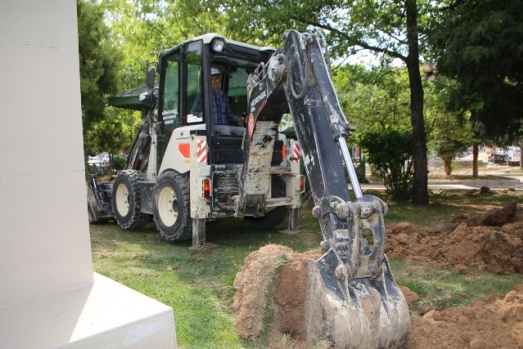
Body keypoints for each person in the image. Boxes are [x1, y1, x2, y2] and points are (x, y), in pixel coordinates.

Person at [192, 68, 245, 136]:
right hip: (212, 127)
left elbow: (229, 115)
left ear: (220, 79)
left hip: (225, 126)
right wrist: (201, 114)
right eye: (211, 79)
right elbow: (193, 112)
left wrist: (239, 119)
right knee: (225, 130)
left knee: (244, 131)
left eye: (216, 78)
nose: (214, 81)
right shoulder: (203, 95)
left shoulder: (224, 96)